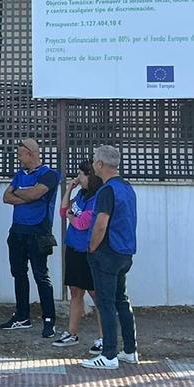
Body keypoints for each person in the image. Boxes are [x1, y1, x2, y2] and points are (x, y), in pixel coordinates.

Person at [82, 145, 139, 370]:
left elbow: (101, 222)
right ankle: (130, 350)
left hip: (107, 252)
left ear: (100, 165)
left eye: (95, 160)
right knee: (121, 300)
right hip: (125, 251)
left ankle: (108, 355)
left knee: (105, 303)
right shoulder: (127, 187)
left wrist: (92, 247)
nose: (93, 163)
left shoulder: (107, 190)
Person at [0, 138, 60, 337]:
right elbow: (5, 197)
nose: (18, 157)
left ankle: (49, 319)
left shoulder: (50, 175)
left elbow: (35, 194)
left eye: (20, 154)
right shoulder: (19, 175)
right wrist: (24, 194)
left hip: (38, 232)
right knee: (19, 274)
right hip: (17, 232)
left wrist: (20, 193)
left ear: (31, 154)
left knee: (41, 276)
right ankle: (22, 316)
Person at [52, 161, 104, 349]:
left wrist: (71, 217)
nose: (78, 178)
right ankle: (72, 333)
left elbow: (82, 223)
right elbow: (63, 211)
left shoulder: (98, 198)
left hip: (88, 251)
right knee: (75, 291)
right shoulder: (81, 196)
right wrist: (68, 190)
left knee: (96, 295)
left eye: (81, 175)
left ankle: (104, 337)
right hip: (73, 248)